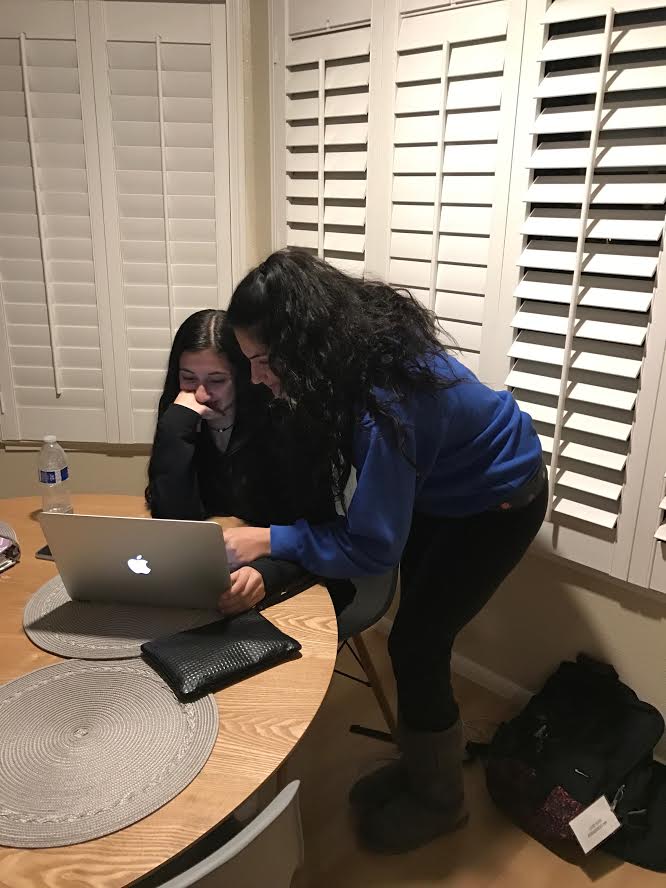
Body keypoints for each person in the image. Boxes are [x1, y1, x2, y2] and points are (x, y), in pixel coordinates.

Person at [222, 248, 548, 854]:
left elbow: (373, 547)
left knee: (417, 642)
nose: (258, 377)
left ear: (302, 344)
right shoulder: (353, 352)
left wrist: (268, 539)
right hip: (448, 489)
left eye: (264, 362)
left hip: (500, 500)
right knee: (415, 638)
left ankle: (440, 801)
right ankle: (422, 764)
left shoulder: (385, 402)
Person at [146, 308, 331, 616]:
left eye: (217, 380)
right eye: (188, 378)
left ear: (243, 378)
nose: (201, 394)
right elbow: (175, 525)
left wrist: (266, 574)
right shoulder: (182, 417)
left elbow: (315, 530)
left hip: (287, 574)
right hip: (212, 576)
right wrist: (175, 429)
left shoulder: (282, 422)